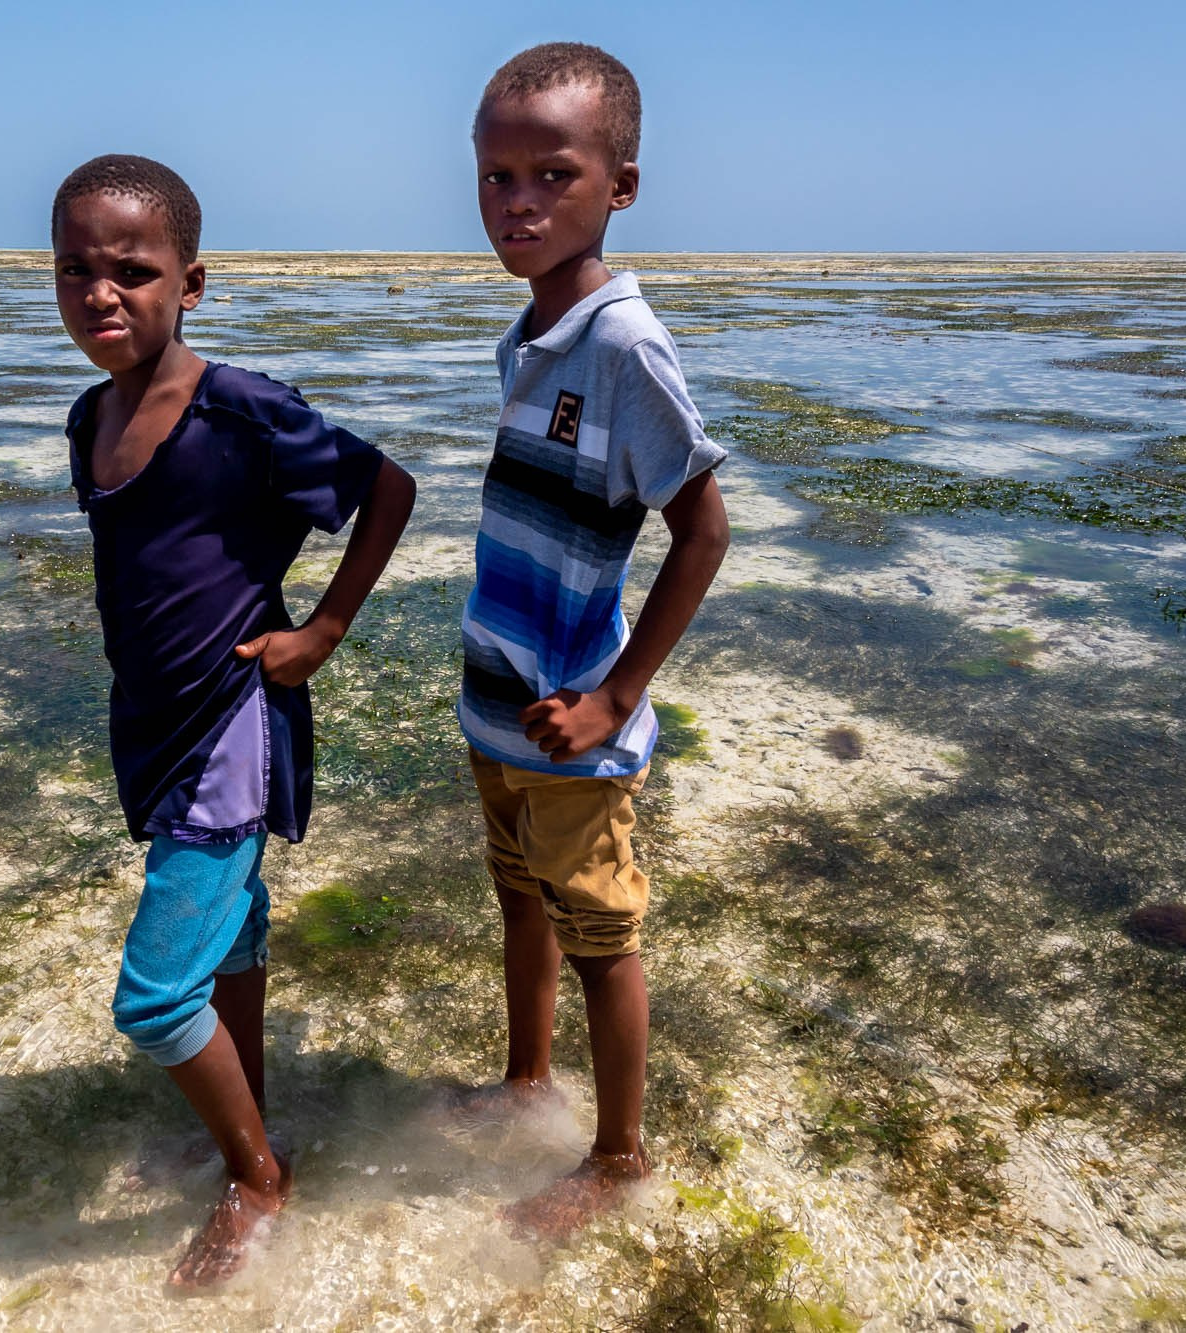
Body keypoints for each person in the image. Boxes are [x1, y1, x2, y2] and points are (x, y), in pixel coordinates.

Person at [54, 154, 416, 1286]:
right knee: (233, 936)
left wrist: (324, 628)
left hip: (228, 730)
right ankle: (246, 1111)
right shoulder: (89, 417)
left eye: (133, 271)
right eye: (75, 270)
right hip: (151, 726)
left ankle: (259, 1177)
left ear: (191, 284)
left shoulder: (244, 411)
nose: (102, 294)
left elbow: (388, 488)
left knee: (156, 999)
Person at [456, 44, 731, 1242]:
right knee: (518, 903)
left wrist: (614, 697)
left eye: (551, 175)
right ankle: (525, 1080)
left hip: (573, 721)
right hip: (497, 704)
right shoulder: (531, 331)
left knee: (601, 943)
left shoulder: (623, 347)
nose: (517, 203)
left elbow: (702, 531)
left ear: (619, 186)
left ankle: (617, 1158)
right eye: (496, 176)